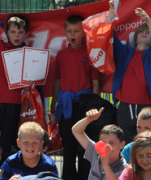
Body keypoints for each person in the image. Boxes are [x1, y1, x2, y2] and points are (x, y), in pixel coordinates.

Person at [108, 0, 151, 143]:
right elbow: (110, 39)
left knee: (145, 144)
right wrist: (111, 13)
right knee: (126, 145)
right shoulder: (125, 52)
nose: (144, 33)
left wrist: (148, 21)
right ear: (135, 35)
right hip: (124, 107)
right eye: (141, 31)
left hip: (145, 108)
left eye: (148, 32)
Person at [51, 15, 100, 180]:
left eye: (76, 31)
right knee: (69, 149)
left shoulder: (90, 53)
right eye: (69, 31)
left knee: (85, 149)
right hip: (66, 108)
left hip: (84, 106)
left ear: (84, 33)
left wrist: (93, 104)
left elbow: (95, 82)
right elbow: (57, 80)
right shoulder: (61, 55)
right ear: (65, 32)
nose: (72, 34)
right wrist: (53, 103)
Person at [0, 1, 31, 177]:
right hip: (4, 103)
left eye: (20, 32)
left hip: (25, 104)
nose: (17, 35)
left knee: (22, 144)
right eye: (12, 31)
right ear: (7, 32)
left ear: (26, 34)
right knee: (2, 145)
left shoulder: (30, 52)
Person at [72, 108, 127, 180]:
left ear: (122, 145)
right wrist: (88, 119)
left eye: (111, 143)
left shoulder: (124, 168)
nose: (106, 147)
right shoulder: (96, 152)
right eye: (103, 143)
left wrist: (105, 165)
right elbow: (76, 131)